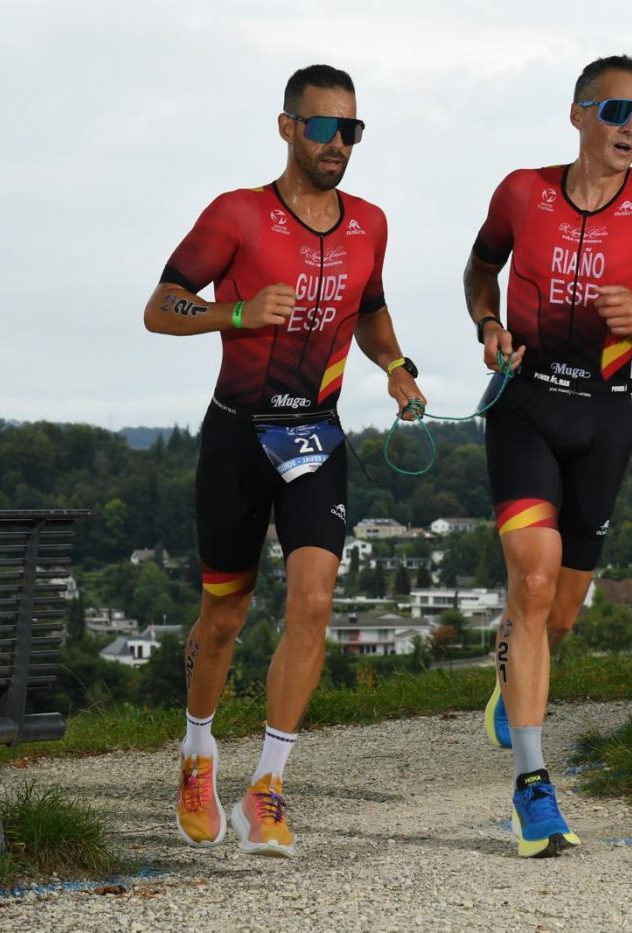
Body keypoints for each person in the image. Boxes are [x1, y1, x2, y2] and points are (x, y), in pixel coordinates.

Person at [143, 64, 425, 858]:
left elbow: (370, 310)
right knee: (224, 617)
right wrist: (234, 310)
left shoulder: (370, 222)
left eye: (351, 130)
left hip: (317, 438)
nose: (339, 142)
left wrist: (397, 367)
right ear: (287, 127)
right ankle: (198, 753)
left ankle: (266, 786)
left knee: (313, 603)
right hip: (238, 436)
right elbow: (160, 306)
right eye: (324, 126)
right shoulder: (236, 214)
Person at [463, 55, 632, 857]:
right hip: (525, 407)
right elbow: (480, 269)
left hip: (604, 420)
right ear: (578, 114)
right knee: (532, 580)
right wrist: (489, 327)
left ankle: (516, 663)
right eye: (617, 112)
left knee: (559, 612)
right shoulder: (520, 192)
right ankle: (534, 789)